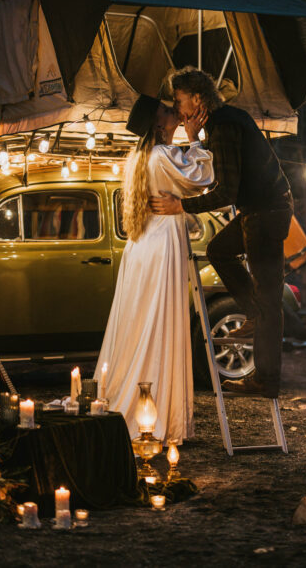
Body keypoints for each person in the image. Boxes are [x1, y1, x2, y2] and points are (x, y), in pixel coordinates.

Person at [150, 67, 292, 398]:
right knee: (219, 251)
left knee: (270, 300)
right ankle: (253, 311)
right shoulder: (223, 121)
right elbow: (221, 180)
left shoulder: (226, 127)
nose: (177, 107)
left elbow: (225, 190)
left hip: (266, 214)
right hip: (257, 212)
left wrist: (182, 206)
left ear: (197, 99)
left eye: (179, 99)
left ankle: (266, 380)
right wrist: (195, 138)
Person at [95, 94, 211, 443]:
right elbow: (202, 176)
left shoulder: (139, 156)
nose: (173, 111)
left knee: (141, 323)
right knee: (159, 323)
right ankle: (153, 413)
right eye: (166, 110)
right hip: (160, 248)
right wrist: (195, 139)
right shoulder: (162, 155)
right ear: (158, 123)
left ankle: (141, 401)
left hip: (144, 246)